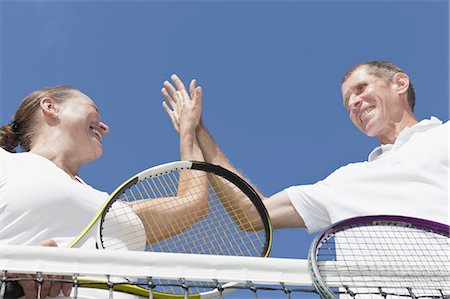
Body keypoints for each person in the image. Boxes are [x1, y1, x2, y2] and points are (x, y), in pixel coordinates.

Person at [161, 61, 449, 236]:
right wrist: (196, 130)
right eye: (347, 100)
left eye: (361, 89)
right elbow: (253, 213)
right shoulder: (345, 181)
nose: (353, 103)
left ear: (399, 83)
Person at [0, 84, 204, 298]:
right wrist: (10, 271)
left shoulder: (110, 206)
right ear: (50, 106)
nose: (105, 128)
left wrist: (189, 131)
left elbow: (192, 203)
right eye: (94, 110)